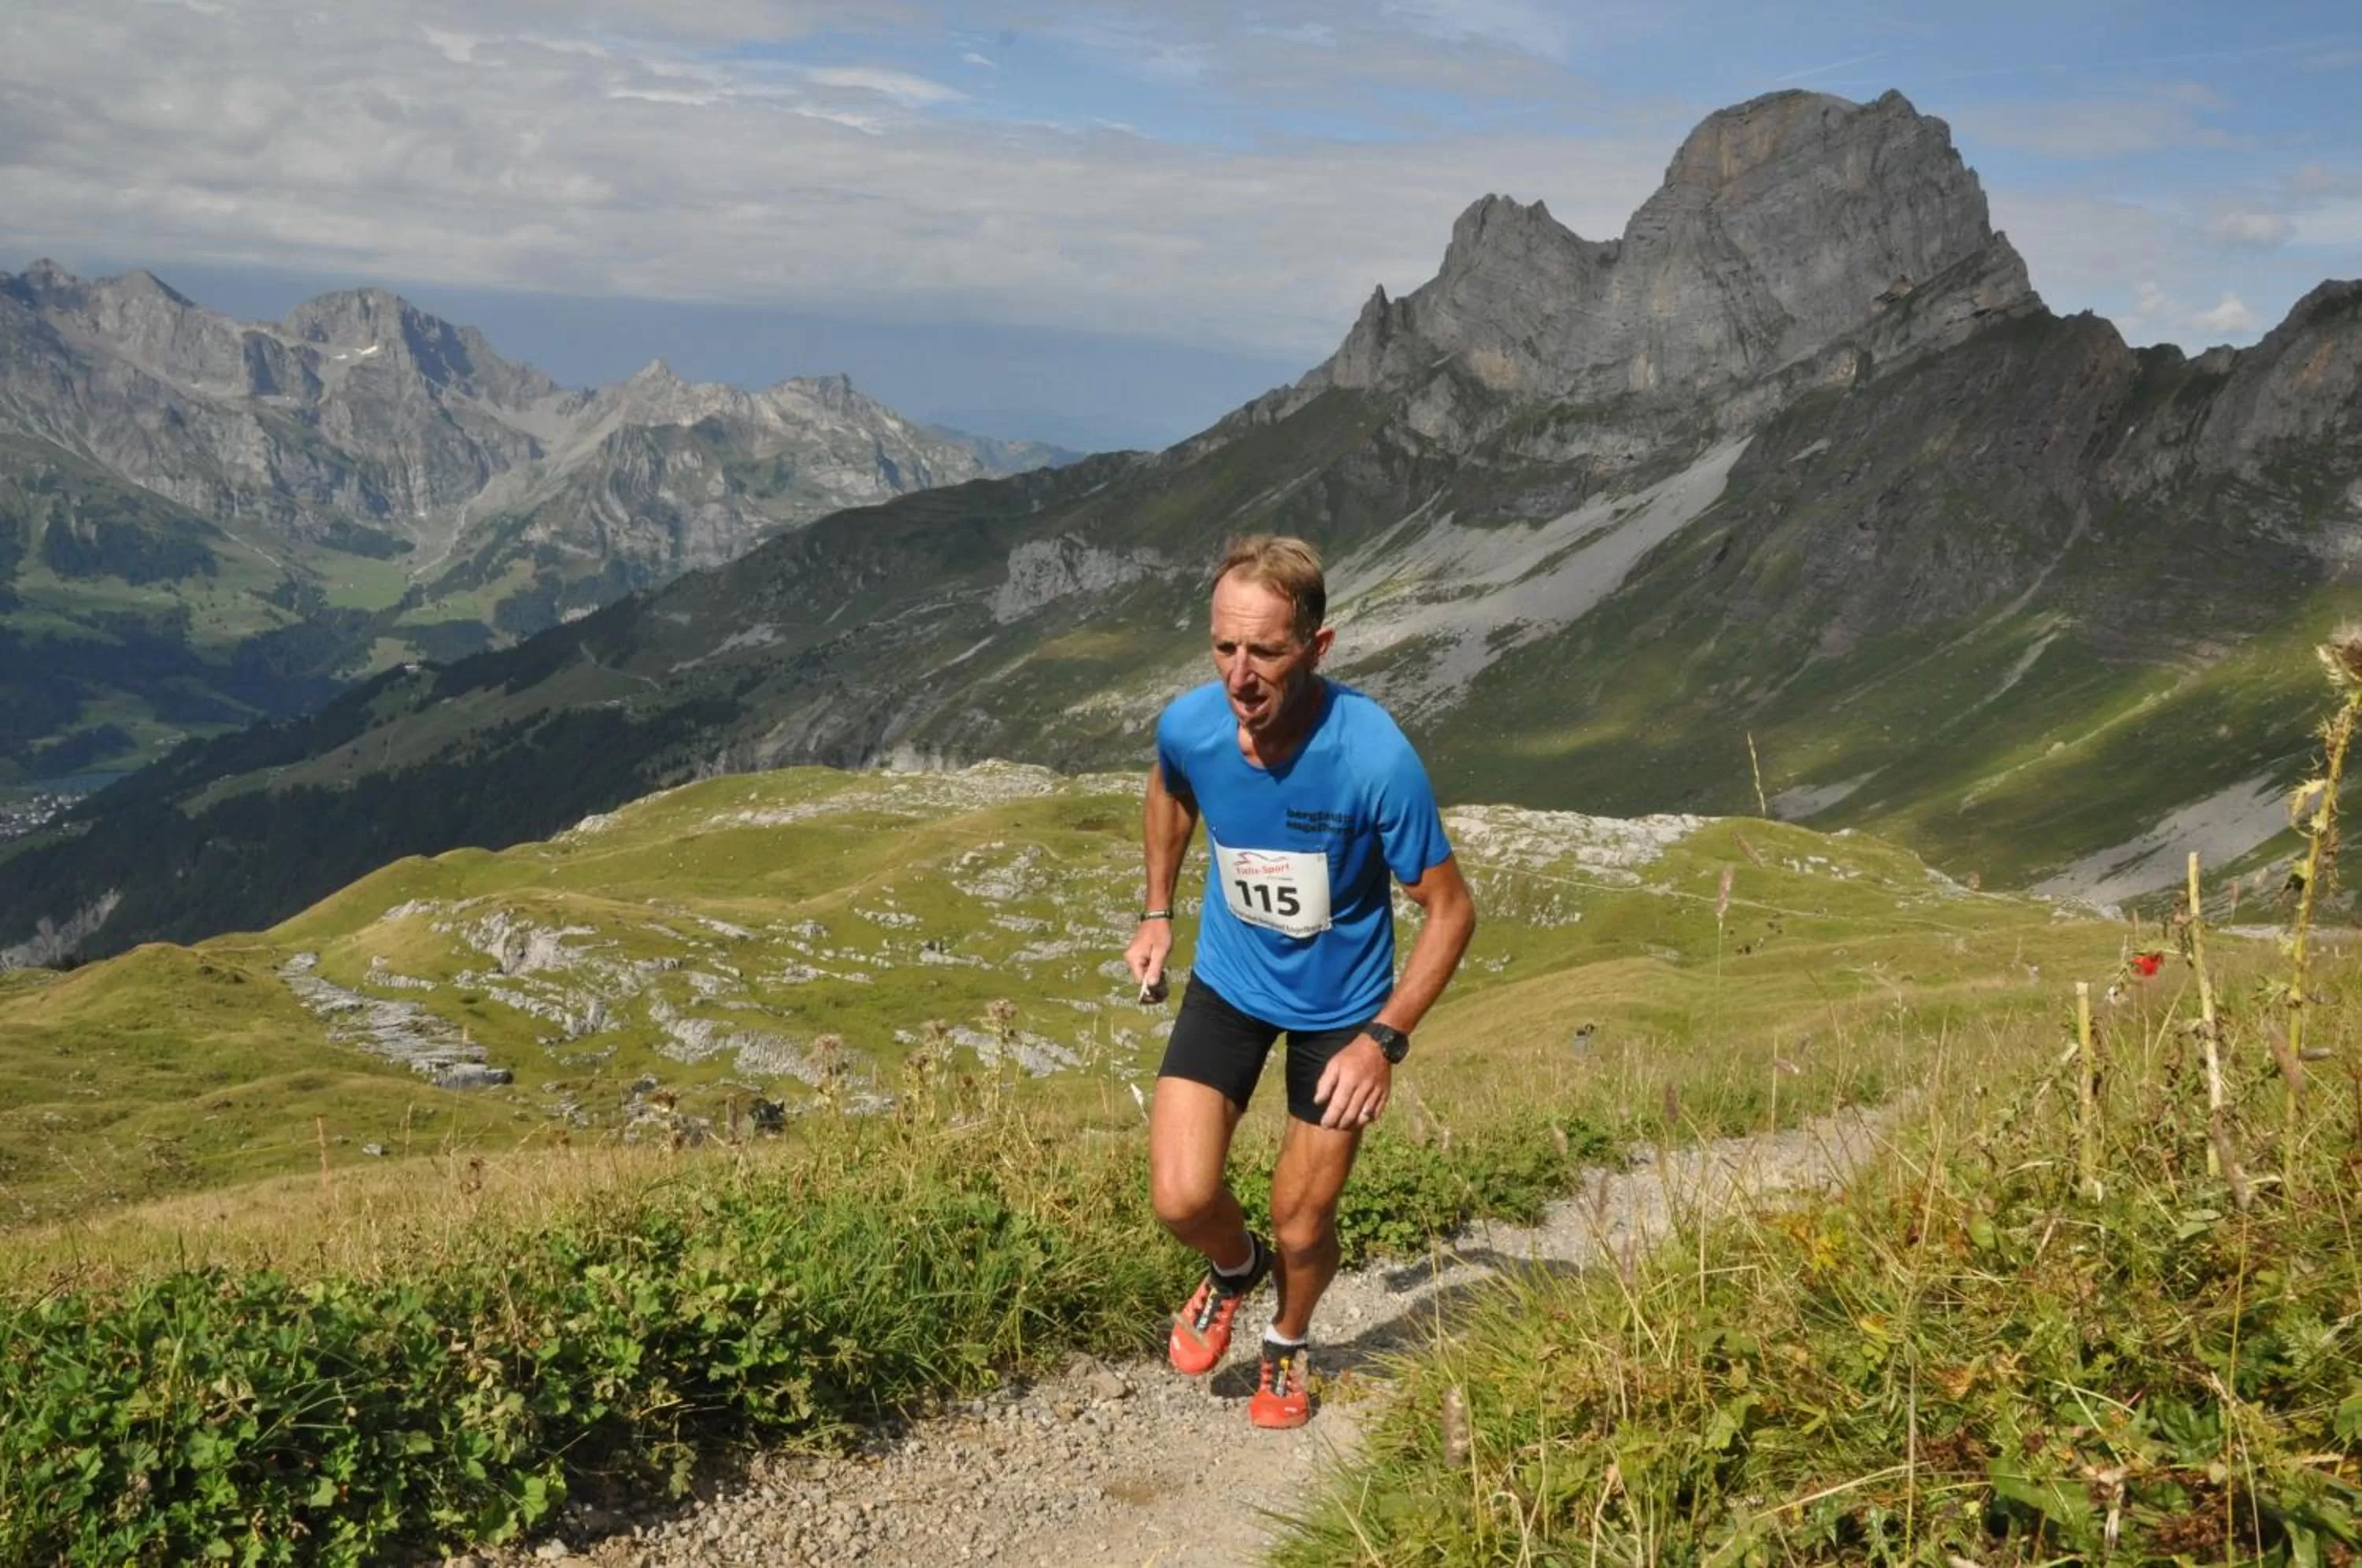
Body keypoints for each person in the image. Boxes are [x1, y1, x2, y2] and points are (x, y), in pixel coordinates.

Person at [1124, 534, 1477, 1429]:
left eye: (1267, 652)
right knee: (1181, 1196)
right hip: (1231, 985)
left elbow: (1451, 912)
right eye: (1224, 647)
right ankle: (1231, 1271)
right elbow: (1170, 791)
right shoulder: (1191, 725)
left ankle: (1287, 1341)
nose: (1240, 675)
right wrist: (1158, 909)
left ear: (1317, 649)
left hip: (1342, 1016)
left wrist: (1385, 1039)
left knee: (1301, 1224)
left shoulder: (1373, 755)